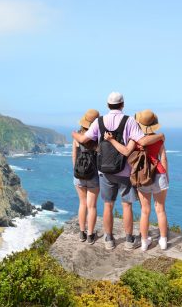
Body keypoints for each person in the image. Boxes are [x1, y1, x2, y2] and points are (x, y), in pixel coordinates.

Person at [72, 92, 164, 250]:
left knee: (108, 205)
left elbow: (82, 140)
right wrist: (161, 136)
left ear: (108, 105)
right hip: (125, 171)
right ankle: (129, 240)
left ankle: (109, 239)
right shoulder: (129, 121)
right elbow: (142, 140)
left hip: (104, 171)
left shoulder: (99, 122)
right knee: (127, 205)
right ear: (123, 104)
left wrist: (73, 133)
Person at [104, 109, 169, 251]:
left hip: (142, 176)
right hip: (159, 174)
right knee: (161, 210)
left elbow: (127, 152)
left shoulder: (135, 140)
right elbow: (163, 158)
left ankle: (145, 242)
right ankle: (163, 241)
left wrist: (111, 140)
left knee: (145, 211)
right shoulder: (159, 139)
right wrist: (167, 176)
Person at [72, 109, 100, 245]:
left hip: (79, 175)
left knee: (82, 204)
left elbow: (74, 156)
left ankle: (82, 233)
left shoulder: (77, 136)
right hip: (94, 175)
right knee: (92, 206)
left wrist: (77, 171)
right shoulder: (97, 138)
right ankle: (90, 236)